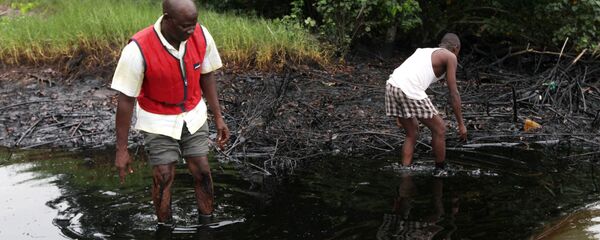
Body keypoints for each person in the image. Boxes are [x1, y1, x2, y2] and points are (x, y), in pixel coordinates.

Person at [111, 0, 230, 227]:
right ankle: (164, 227)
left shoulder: (201, 36)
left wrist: (218, 117)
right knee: (164, 176)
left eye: (194, 24)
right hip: (157, 119)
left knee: (203, 171)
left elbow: (207, 75)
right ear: (167, 19)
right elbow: (125, 100)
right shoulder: (138, 49)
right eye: (185, 26)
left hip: (193, 114)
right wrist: (122, 150)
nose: (191, 30)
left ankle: (207, 224)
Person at [385, 33, 467, 176]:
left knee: (412, 132)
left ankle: (405, 171)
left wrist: (401, 113)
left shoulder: (423, 51)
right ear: (456, 48)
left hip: (392, 85)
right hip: (408, 88)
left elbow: (411, 75)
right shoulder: (450, 56)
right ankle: (440, 171)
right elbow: (453, 93)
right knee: (440, 129)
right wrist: (461, 124)